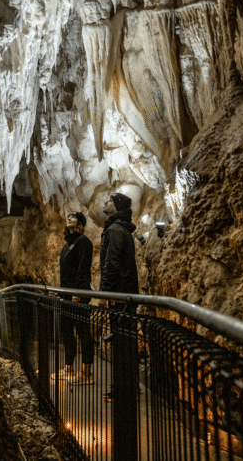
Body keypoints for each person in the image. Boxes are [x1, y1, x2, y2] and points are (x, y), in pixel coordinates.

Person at [98, 192, 139, 458]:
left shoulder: (114, 229)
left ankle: (124, 389)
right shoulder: (121, 228)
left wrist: (105, 294)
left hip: (119, 293)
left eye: (110, 200)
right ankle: (126, 386)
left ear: (118, 207)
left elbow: (111, 263)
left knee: (122, 339)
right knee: (126, 338)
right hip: (127, 292)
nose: (105, 202)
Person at [57, 212, 95, 385]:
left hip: (77, 295)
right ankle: (68, 368)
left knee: (83, 332)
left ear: (80, 221)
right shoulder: (68, 244)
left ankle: (87, 373)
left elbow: (82, 270)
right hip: (66, 294)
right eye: (68, 217)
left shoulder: (83, 242)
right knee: (66, 331)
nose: (68, 218)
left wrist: (78, 292)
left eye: (73, 216)